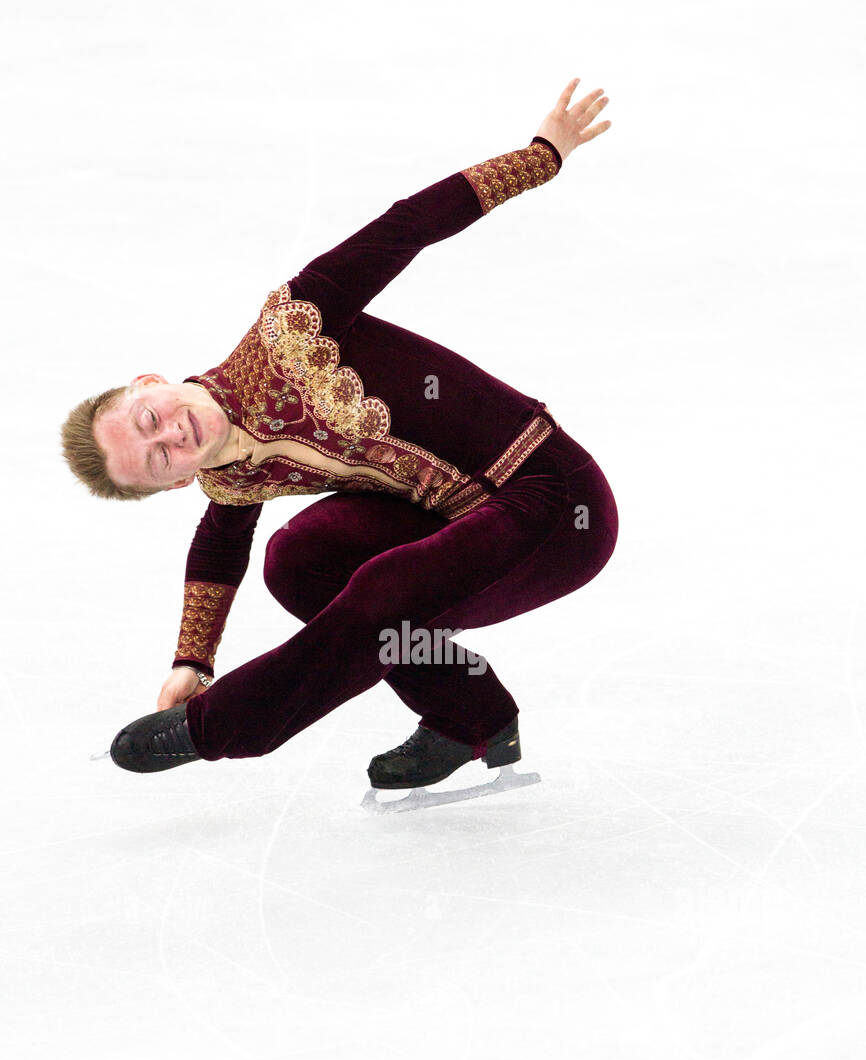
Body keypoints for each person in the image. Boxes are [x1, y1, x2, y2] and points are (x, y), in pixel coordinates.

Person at [60, 78, 618, 790]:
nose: (171, 434)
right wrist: (191, 660)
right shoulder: (226, 475)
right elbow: (221, 543)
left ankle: (221, 728)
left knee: (388, 588)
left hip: (552, 502)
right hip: (453, 527)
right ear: (174, 482)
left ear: (148, 383)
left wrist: (542, 155)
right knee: (301, 563)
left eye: (150, 419)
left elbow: (406, 226)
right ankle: (468, 715)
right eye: (158, 458)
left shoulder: (294, 325)